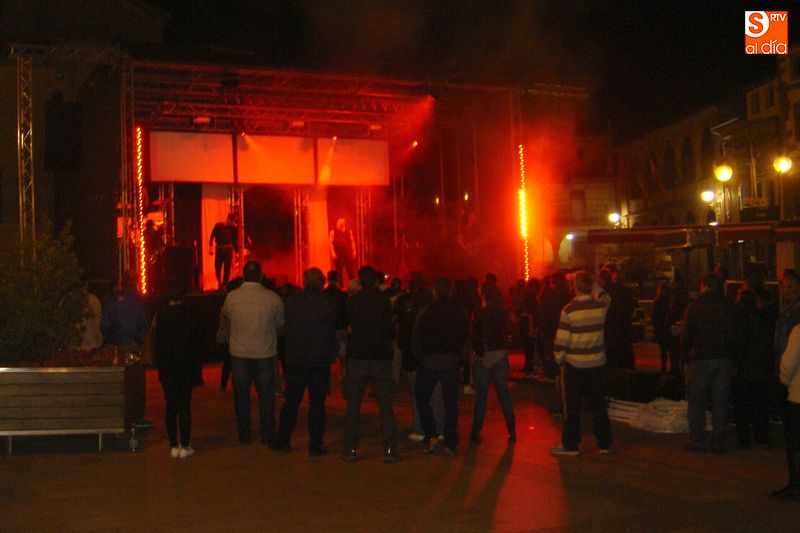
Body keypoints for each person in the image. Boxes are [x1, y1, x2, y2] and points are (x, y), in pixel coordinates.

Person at [271, 268, 337, 456]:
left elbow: (283, 327)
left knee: (292, 401)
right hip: (319, 359)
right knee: (317, 404)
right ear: (322, 282)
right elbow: (330, 331)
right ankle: (315, 445)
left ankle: (284, 439)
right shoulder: (327, 303)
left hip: (297, 358)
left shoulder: (292, 302)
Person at [222, 260, 284, 445]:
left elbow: (227, 317)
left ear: (243, 276)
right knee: (266, 395)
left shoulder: (232, 297)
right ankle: (267, 432)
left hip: (239, 353)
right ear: (261, 276)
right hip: (265, 352)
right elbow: (280, 325)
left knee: (241, 396)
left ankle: (244, 433)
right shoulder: (273, 298)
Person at [551, 271, 612, 456]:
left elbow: (562, 340)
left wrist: (560, 360)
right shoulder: (600, 306)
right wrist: (593, 285)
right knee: (599, 405)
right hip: (597, 364)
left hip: (575, 365)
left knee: (572, 407)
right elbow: (606, 296)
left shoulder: (569, 310)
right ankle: (605, 443)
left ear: (575, 287)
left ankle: (571, 445)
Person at [341, 265, 398, 463]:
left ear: (360, 280)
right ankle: (390, 448)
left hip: (358, 356)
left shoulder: (353, 301)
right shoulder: (383, 301)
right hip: (380, 356)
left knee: (353, 404)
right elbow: (389, 328)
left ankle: (350, 448)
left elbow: (347, 325)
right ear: (375, 280)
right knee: (385, 404)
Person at [413, 277, 471, 456]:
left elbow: (416, 337)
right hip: (451, 362)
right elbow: (466, 338)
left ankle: (431, 435)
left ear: (434, 291)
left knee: (422, 398)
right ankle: (450, 442)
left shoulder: (426, 310)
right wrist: (462, 360)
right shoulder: (459, 311)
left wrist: (419, 357)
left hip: (429, 362)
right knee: (451, 403)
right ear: (451, 290)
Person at [681, 272, 739, 453]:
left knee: (697, 400)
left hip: (701, 357)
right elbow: (735, 334)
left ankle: (698, 438)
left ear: (704, 286)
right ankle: (718, 439)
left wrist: (684, 357)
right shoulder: (729, 306)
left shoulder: (695, 306)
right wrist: (734, 358)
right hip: (723, 358)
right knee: (720, 400)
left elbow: (687, 333)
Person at [153, 286, 202, 458]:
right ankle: (186, 445)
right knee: (184, 406)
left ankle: (173, 444)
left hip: (167, 367)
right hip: (186, 366)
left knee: (171, 406)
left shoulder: (161, 315)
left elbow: (157, 342)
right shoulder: (190, 314)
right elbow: (196, 342)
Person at [734, 268, 777, 448]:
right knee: (760, 400)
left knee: (743, 402)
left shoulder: (744, 302)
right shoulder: (770, 301)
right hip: (762, 358)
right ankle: (762, 436)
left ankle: (744, 438)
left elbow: (739, 330)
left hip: (746, 359)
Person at [470, 282, 516, 445]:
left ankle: (476, 432)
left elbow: (475, 335)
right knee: (504, 395)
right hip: (500, 355)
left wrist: (478, 352)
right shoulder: (503, 312)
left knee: (481, 397)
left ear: (483, 294)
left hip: (484, 357)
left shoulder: (480, 313)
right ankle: (512, 430)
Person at [773, 270, 800, 499]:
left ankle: (796, 484)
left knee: (795, 441)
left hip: (797, 392)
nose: (786, 291)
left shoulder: (796, 327)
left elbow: (789, 361)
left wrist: (784, 378)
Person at [209, 213, 238, 289]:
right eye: (232, 221)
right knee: (217, 266)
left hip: (228, 249)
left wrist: (236, 251)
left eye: (233, 222)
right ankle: (219, 282)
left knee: (227, 268)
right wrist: (210, 247)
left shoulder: (233, 229)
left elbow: (234, 241)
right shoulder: (218, 226)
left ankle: (224, 284)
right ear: (228, 219)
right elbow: (212, 236)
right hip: (219, 249)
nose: (233, 223)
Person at [652, 281, 672, 374]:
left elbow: (654, 315)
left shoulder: (659, 301)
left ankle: (664, 366)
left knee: (664, 349)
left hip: (662, 327)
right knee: (668, 348)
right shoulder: (668, 301)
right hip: (665, 327)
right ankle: (668, 366)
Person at [329, 218, 357, 285]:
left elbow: (352, 241)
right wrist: (332, 252)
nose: (338, 226)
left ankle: (354, 286)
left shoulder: (348, 231)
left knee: (350, 271)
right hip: (338, 253)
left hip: (347, 253)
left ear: (342, 225)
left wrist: (354, 251)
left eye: (339, 225)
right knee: (339, 272)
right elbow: (331, 243)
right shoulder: (333, 232)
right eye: (338, 225)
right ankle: (341, 287)